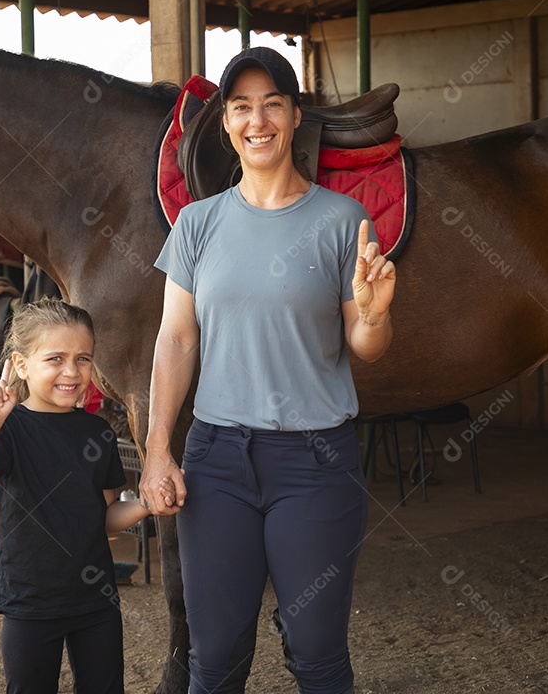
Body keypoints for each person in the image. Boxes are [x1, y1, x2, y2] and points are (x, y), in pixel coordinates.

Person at [141, 46, 397, 694]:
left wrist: (374, 314)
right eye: (242, 108)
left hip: (315, 464)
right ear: (226, 124)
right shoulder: (197, 224)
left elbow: (366, 346)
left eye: (272, 105)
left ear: (294, 115)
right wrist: (157, 450)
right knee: (215, 657)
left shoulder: (342, 220)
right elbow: (175, 340)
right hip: (218, 461)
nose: (258, 121)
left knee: (316, 654)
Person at [0, 298, 169, 694]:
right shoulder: (7, 430)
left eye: (83, 358)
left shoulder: (98, 433)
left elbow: (100, 518)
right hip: (29, 602)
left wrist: (145, 506)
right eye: (55, 358)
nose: (72, 371)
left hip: (95, 600)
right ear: (21, 365)